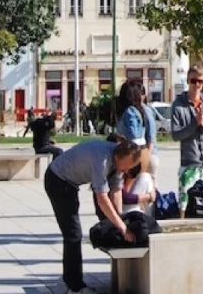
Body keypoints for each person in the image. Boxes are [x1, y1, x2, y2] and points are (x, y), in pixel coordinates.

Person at [44, 137, 141, 294]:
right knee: (73, 234)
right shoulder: (101, 159)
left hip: (70, 183)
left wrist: (121, 219)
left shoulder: (118, 161)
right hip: (57, 180)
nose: (125, 171)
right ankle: (75, 286)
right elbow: (102, 198)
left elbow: (116, 190)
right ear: (118, 157)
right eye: (125, 168)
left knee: (112, 224)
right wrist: (122, 227)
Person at [170, 66, 203, 216]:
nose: (196, 85)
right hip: (189, 162)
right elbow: (175, 135)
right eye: (193, 81)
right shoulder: (178, 104)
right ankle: (182, 222)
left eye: (200, 82)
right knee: (184, 200)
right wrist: (194, 123)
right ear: (188, 81)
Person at [115, 80, 159, 182]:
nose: (143, 96)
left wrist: (146, 154)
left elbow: (149, 136)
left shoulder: (141, 110)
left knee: (144, 188)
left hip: (143, 154)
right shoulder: (131, 110)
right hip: (137, 154)